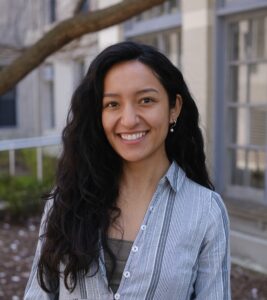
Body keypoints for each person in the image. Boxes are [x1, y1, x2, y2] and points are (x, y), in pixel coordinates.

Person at [24, 41, 231, 300]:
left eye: (146, 100)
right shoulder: (66, 201)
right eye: (112, 104)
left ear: (174, 108)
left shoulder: (206, 211)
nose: (129, 119)